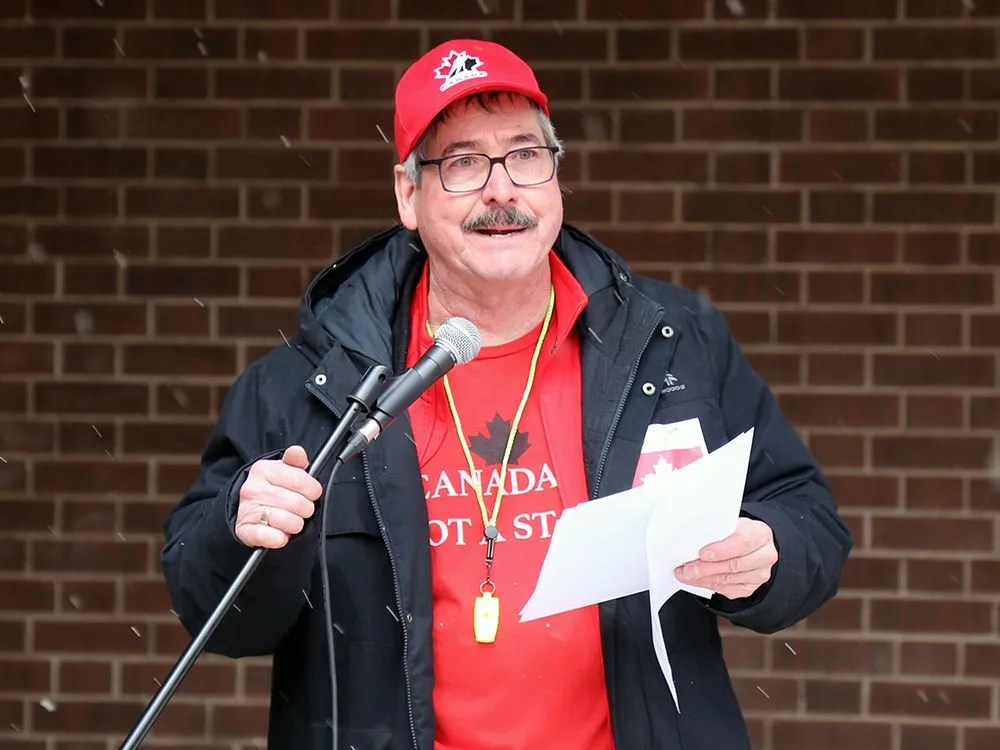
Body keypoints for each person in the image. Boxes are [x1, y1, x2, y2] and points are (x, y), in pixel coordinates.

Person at [162, 38, 852, 749]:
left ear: (555, 178)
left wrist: (768, 554)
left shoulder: (675, 342)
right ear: (409, 194)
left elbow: (810, 520)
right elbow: (216, 612)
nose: (502, 190)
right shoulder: (312, 383)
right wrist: (242, 528)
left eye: (525, 155)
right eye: (462, 164)